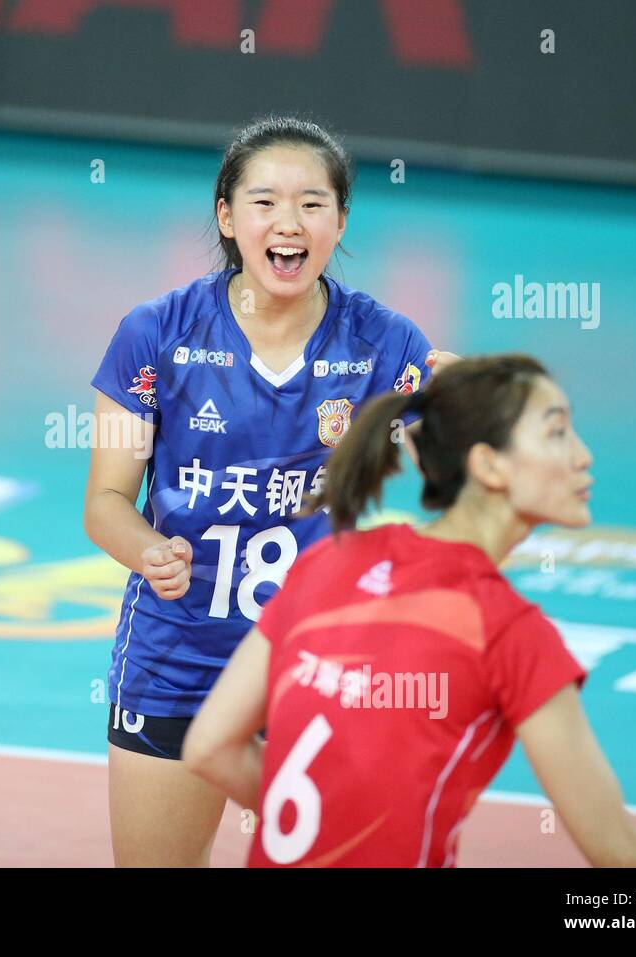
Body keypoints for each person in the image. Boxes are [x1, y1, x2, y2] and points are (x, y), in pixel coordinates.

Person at [85, 114, 457, 866]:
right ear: (226, 217)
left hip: (318, 669)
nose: (288, 223)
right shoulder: (154, 336)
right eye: (264, 202)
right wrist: (149, 549)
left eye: (312, 204)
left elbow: (453, 449)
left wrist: (468, 404)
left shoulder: (382, 344)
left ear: (341, 220)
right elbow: (106, 500)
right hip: (177, 660)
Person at [182, 354, 636, 867]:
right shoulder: (508, 629)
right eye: (557, 433)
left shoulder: (329, 559)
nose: (584, 456)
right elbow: (620, 854)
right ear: (488, 465)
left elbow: (210, 746)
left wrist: (316, 825)